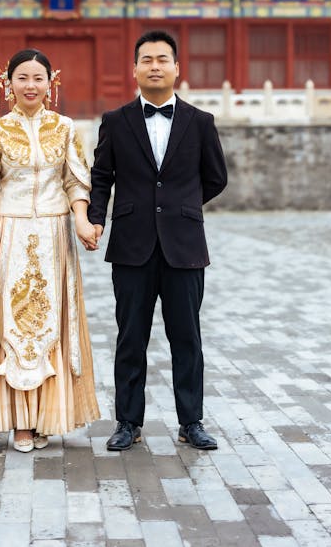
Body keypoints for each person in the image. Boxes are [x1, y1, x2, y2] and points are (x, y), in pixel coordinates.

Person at [88, 30, 227, 451]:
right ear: (134, 69)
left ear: (176, 68)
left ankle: (191, 421)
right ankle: (128, 422)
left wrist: (181, 207)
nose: (154, 66)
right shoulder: (115, 121)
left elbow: (216, 177)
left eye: (162, 59)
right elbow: (101, 177)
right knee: (131, 337)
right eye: (146, 59)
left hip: (184, 247)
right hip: (132, 245)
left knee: (187, 337)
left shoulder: (200, 123)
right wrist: (96, 219)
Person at [0, 49, 100, 451]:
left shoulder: (67, 128)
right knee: (16, 324)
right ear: (8, 83)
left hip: (56, 236)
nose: (30, 86)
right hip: (12, 235)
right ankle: (20, 421)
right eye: (22, 77)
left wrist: (79, 219)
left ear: (50, 83)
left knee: (51, 320)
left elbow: (77, 182)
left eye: (38, 78)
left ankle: (45, 419)